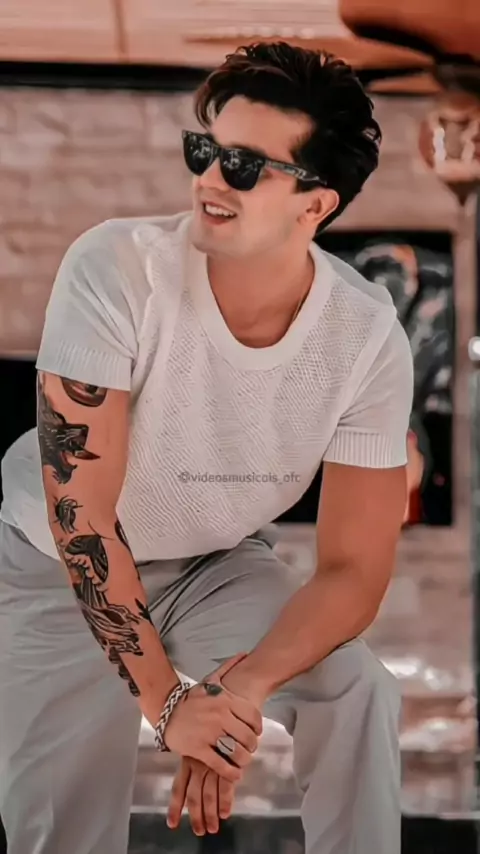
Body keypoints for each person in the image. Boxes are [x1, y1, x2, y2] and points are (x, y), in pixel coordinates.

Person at [0, 42, 413, 854]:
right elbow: (83, 520)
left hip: (213, 564)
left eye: (245, 166)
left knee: (356, 690)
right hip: (58, 567)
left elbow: (354, 573)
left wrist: (239, 692)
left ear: (315, 205)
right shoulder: (116, 269)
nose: (210, 179)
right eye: (205, 150)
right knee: (63, 837)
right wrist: (171, 707)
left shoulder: (365, 337)